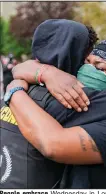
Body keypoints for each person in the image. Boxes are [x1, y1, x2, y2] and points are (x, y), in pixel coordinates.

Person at [4, 22, 106, 188]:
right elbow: (22, 68)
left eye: (99, 68)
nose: (88, 70)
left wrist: (15, 91)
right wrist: (46, 73)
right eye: (86, 63)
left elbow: (53, 145)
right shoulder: (64, 95)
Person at [0, 19, 98, 188]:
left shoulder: (17, 88)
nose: (90, 69)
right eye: (87, 61)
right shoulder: (73, 102)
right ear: (74, 55)